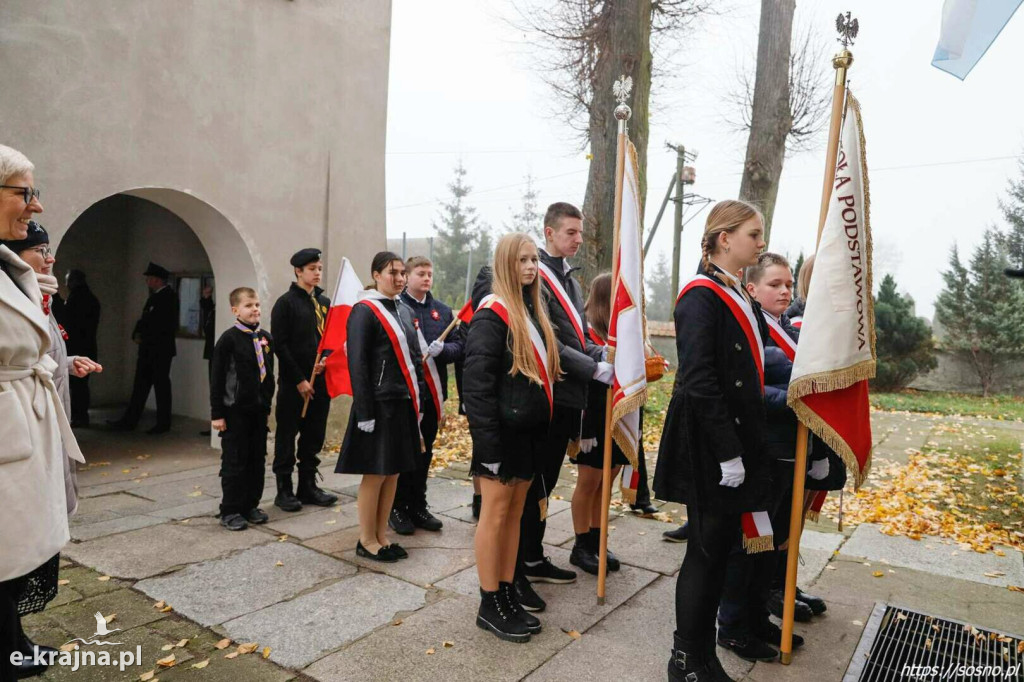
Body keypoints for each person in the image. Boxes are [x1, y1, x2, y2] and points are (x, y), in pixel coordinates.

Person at [653, 199, 771, 682]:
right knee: (704, 551)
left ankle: (703, 655)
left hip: (738, 437)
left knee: (720, 550)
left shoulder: (737, 291)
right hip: (711, 443)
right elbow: (699, 379)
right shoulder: (699, 296)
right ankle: (687, 659)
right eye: (753, 234)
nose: (761, 244)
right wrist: (727, 451)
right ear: (725, 238)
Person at [0, 144, 85, 681]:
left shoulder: (11, 265)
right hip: (9, 432)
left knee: (13, 559)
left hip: (24, 429)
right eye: (24, 193)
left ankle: (11, 646)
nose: (34, 207)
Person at [715, 253, 816, 661]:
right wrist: (795, 400)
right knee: (751, 544)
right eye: (775, 284)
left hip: (788, 452)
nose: (785, 291)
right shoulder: (752, 329)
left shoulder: (781, 328)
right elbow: (747, 389)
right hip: (764, 452)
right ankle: (733, 626)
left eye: (789, 284)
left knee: (772, 544)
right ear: (752, 289)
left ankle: (757, 616)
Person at [517, 202, 613, 611]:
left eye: (579, 232)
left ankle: (535, 556)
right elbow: (548, 339)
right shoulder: (535, 279)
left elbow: (577, 335)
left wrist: (606, 353)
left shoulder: (570, 281)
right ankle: (519, 563)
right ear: (549, 232)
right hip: (547, 395)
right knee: (532, 485)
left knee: (548, 481)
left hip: (570, 397)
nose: (577, 239)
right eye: (570, 232)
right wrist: (594, 367)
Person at [464, 232, 560, 643]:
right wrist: (488, 447)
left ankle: (505, 592)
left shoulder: (528, 310)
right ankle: (489, 602)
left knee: (515, 515)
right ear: (506, 262)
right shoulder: (492, 314)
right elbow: (477, 387)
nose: (531, 267)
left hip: (526, 436)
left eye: (534, 260)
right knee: (495, 515)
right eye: (522, 260)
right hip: (500, 437)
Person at [335, 252, 423, 562]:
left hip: (401, 401)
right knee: (375, 473)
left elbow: (413, 357)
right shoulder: (364, 311)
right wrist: (365, 412)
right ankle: (366, 539)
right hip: (378, 403)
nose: (399, 278)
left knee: (393, 473)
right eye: (392, 272)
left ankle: (382, 536)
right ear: (376, 275)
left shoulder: (400, 307)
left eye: (402, 273)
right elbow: (357, 362)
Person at [390, 255, 464, 535]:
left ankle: (418, 504)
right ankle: (397, 506)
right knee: (404, 452)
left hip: (432, 396)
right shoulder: (397, 308)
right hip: (406, 396)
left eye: (430, 273)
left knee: (425, 452)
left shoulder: (442, 312)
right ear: (406, 277)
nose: (426, 278)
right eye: (420, 273)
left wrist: (442, 351)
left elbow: (460, 347)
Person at [271, 248, 338, 511]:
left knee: (313, 435)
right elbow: (281, 346)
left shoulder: (325, 304)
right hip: (293, 384)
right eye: (312, 269)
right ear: (298, 271)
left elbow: (331, 340)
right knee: (287, 436)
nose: (317, 273)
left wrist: (326, 361)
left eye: (319, 268)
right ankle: (284, 491)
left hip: (320, 380)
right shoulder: (286, 303)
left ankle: (307, 486)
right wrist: (299, 379)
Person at [568, 272, 625, 576]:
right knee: (589, 482)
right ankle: (581, 545)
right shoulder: (585, 332)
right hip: (591, 417)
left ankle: (596, 537)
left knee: (608, 479)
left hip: (615, 416)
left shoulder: (618, 334)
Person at [210, 287, 275, 531]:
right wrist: (217, 413)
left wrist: (267, 403)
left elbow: (269, 374)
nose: (255, 309)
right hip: (234, 411)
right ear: (235, 310)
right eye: (248, 306)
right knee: (235, 461)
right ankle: (230, 509)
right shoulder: (228, 339)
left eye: (257, 305)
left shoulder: (265, 338)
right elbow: (217, 378)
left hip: (258, 411)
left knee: (256, 459)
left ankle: (250, 505)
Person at [107, 261, 180, 434]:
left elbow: (162, 325)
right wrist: (137, 333)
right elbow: (144, 319)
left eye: (149, 279)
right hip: (148, 350)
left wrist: (145, 335)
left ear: (157, 280)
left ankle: (163, 424)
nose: (147, 282)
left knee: (161, 386)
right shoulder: (154, 297)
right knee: (140, 385)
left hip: (160, 350)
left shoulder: (169, 297)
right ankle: (129, 421)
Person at [60, 269, 101, 428]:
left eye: (68, 281)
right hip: (87, 346)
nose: (66, 284)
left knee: (78, 387)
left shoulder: (76, 299)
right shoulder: (90, 298)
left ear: (74, 282)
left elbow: (69, 323)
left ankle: (79, 416)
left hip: (77, 348)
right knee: (80, 386)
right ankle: (80, 416)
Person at [199, 283, 215, 436]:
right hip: (212, 352)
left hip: (216, 353)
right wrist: (206, 298)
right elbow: (208, 311)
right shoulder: (214, 310)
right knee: (214, 389)